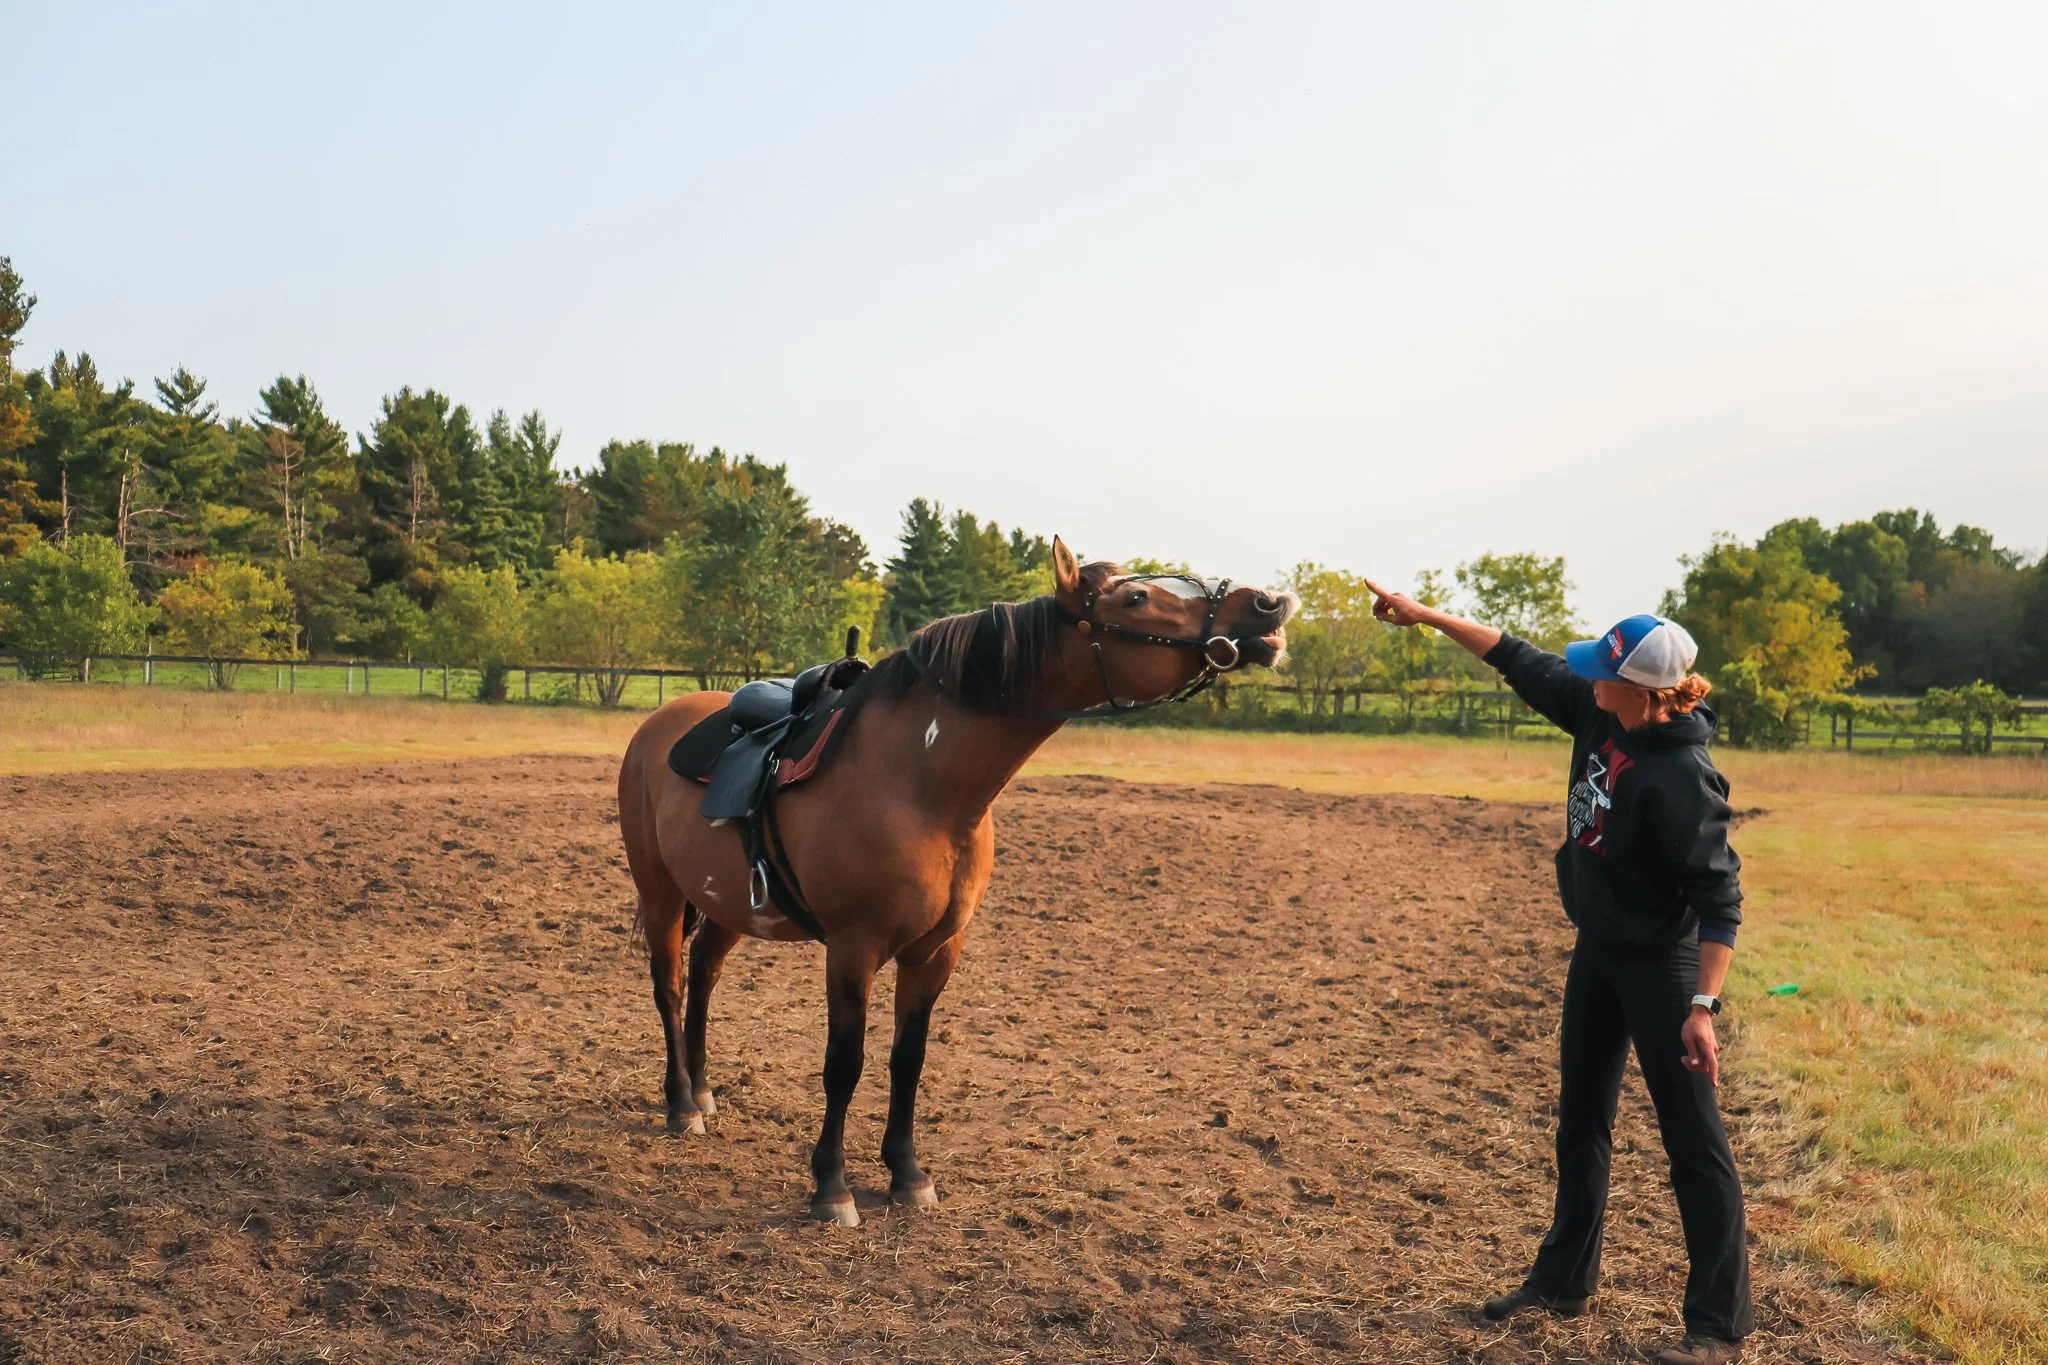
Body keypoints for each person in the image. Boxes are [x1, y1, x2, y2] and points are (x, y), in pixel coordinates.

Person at [1365, 583, 1753, 1365]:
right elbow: (1514, 655)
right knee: (1581, 1123)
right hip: (1601, 951)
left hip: (1665, 967)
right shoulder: (1598, 712)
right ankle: (1564, 1281)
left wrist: (1703, 1007)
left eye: (1602, 673)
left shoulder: (1684, 776)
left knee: (1694, 1144)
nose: (1586, 680)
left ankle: (1718, 1326)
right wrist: (1427, 615)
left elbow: (1722, 897)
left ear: (1643, 692)